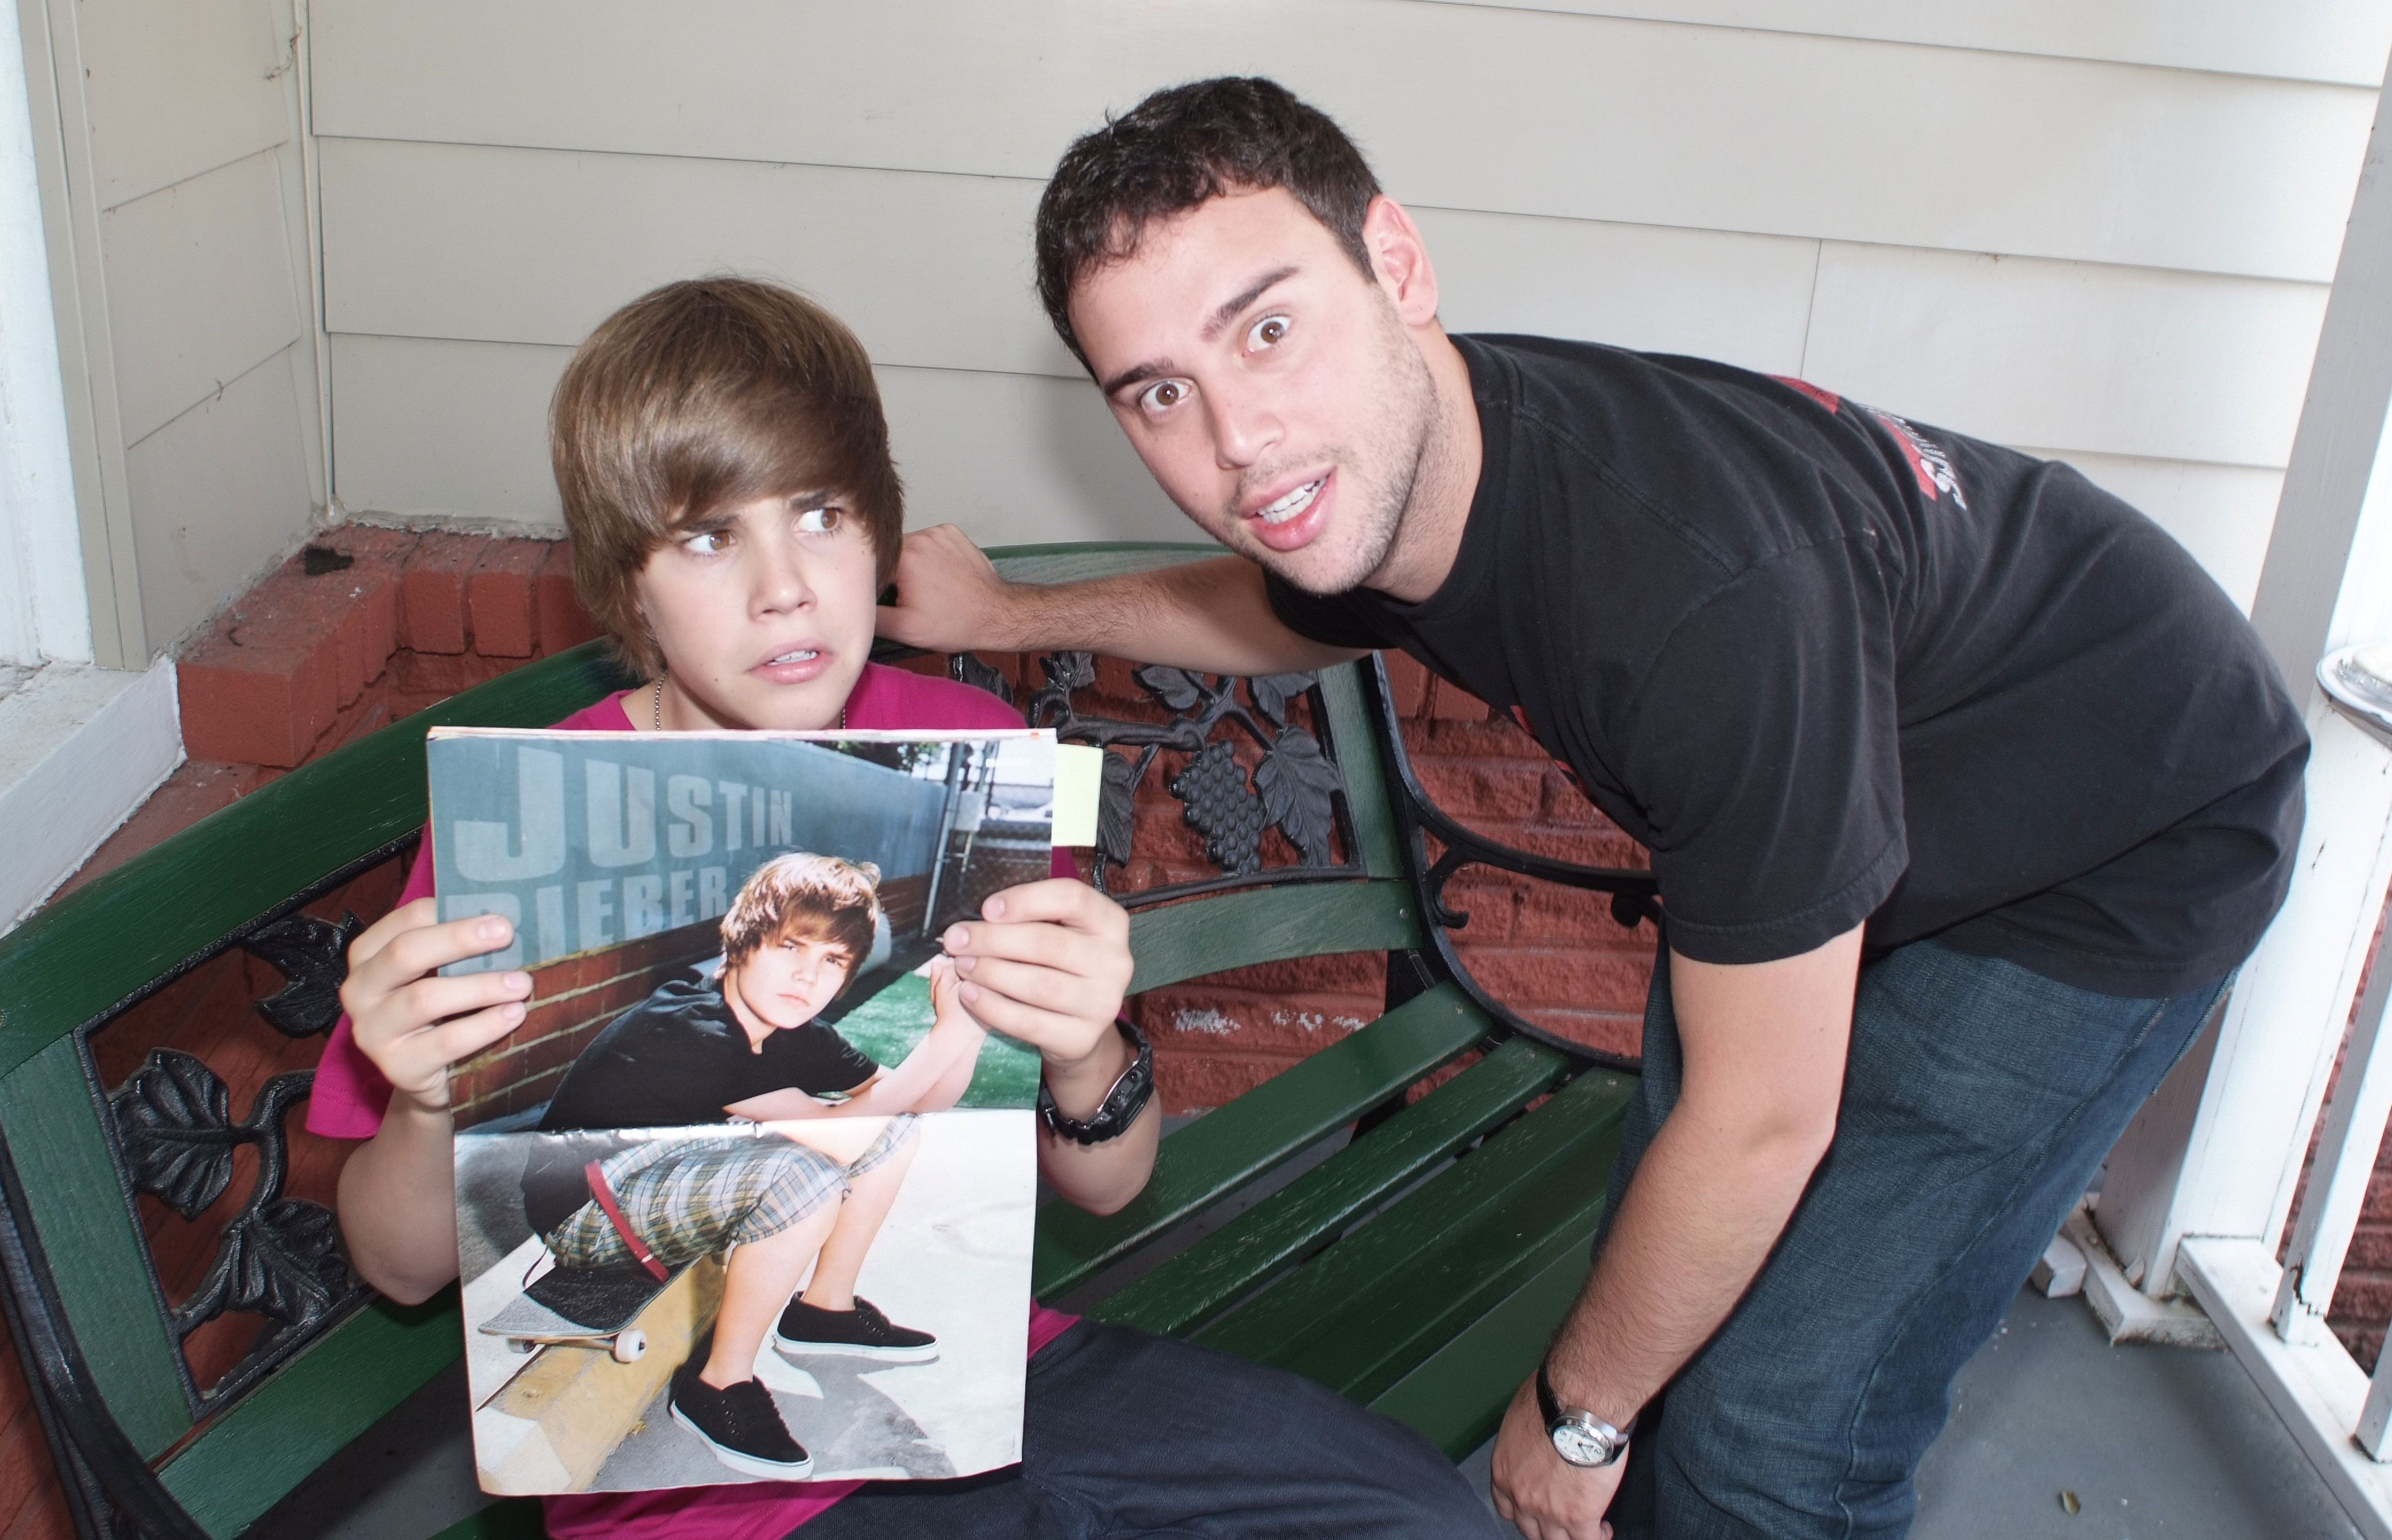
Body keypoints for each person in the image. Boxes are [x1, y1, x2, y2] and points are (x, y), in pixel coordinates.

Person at [877, 77, 2311, 1540]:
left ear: (1400, 265)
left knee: (1770, 1432)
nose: (1238, 436)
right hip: (1881, 788)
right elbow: (1286, 615)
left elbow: (1761, 1122)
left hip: (2119, 831)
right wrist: (1009, 607)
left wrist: (1573, 1415)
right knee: (1681, 1290)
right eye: (1161, 393)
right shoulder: (1405, 450)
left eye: (1267, 325)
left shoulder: (1700, 602)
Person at [313, 275, 1502, 1538]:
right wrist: (431, 1095)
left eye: (820, 514)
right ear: (629, 581)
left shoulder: (966, 750)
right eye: (711, 536)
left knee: (1420, 1516)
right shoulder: (528, 813)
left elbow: (1107, 1186)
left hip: (1004, 1383)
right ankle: (742, 1373)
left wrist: (1084, 1045)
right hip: (697, 1496)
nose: (787, 587)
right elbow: (396, 1264)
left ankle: (822, 1306)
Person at [521, 851, 982, 1478]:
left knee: (891, 1131)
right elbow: (837, 1139)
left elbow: (918, 1101)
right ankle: (717, 1385)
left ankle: (825, 1308)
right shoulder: (693, 1025)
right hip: (585, 1209)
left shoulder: (791, 1024)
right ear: (741, 943)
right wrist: (944, 1040)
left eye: (831, 961)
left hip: (669, 1169)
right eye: (790, 946)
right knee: (805, 1171)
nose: (806, 976)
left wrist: (970, 1020)